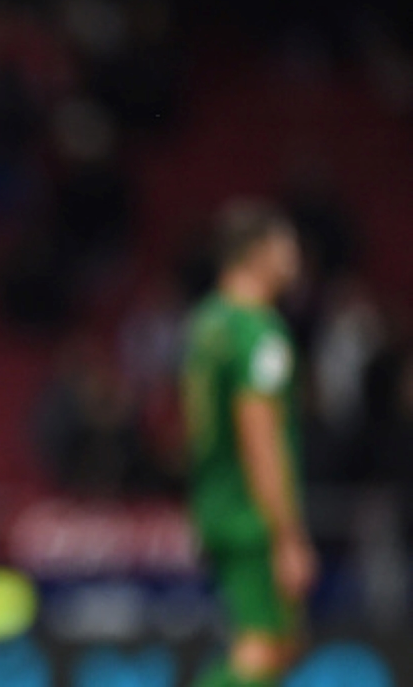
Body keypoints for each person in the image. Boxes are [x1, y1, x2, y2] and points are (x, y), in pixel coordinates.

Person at [182, 201, 318, 687]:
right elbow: (260, 434)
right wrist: (287, 533)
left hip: (215, 501)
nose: (295, 257)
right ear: (256, 253)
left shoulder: (206, 323)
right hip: (252, 513)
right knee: (265, 645)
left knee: (282, 643)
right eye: (286, 246)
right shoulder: (260, 333)